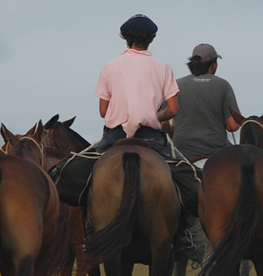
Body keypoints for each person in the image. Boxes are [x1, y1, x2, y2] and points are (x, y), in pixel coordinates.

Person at [51, 14, 201, 248]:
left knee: (80, 177)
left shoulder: (110, 66)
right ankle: (181, 234)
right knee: (187, 179)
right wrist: (153, 115)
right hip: (151, 139)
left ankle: (90, 230)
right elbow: (173, 109)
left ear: (126, 39)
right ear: (152, 39)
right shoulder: (163, 68)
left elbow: (103, 111)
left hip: (114, 137)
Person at [162, 44, 240, 167]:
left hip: (183, 153)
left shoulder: (177, 85)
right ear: (214, 64)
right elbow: (233, 125)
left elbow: (163, 123)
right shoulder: (223, 85)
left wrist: (172, 132)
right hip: (216, 154)